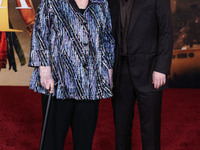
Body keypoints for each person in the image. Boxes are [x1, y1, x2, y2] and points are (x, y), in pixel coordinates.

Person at [28, 0, 115, 149]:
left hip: (90, 84)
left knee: (84, 142)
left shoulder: (101, 3)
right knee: (52, 142)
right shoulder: (51, 2)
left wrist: (108, 73)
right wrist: (44, 71)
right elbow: (40, 35)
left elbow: (107, 39)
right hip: (58, 83)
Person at [108, 0, 173, 149]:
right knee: (121, 129)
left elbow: (166, 31)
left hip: (150, 71)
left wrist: (161, 68)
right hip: (120, 71)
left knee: (151, 130)